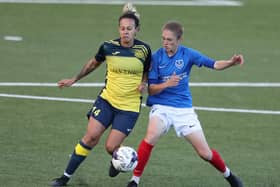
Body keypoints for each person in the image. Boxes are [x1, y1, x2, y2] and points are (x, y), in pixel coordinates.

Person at [126, 21, 244, 187]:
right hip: (162, 107)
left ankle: (229, 175)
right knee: (151, 136)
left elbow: (214, 64)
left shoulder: (188, 54)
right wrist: (167, 84)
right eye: (163, 39)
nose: (165, 43)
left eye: (170, 40)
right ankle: (134, 180)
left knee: (205, 153)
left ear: (179, 40)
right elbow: (151, 90)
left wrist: (231, 62)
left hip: (183, 110)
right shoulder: (156, 58)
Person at [50, 4, 151, 187]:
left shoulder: (144, 50)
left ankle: (117, 161)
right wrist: (75, 79)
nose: (125, 32)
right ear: (118, 29)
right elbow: (92, 64)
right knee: (90, 137)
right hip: (107, 100)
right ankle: (64, 178)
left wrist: (144, 82)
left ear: (137, 30)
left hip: (128, 107)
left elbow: (147, 70)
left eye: (129, 29)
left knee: (111, 147)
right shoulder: (108, 47)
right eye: (122, 28)